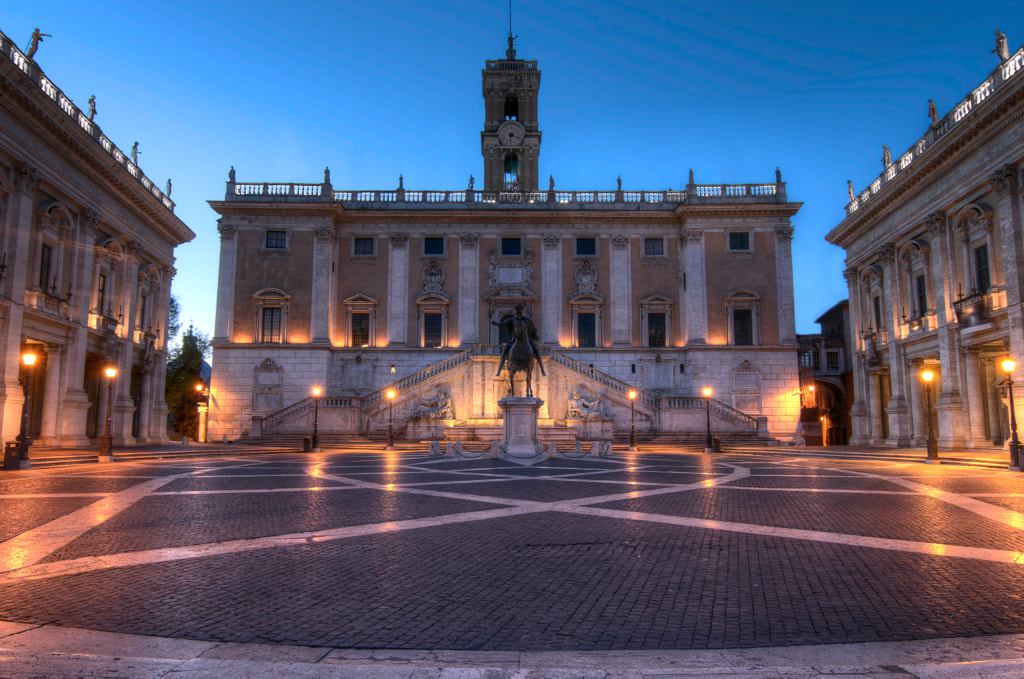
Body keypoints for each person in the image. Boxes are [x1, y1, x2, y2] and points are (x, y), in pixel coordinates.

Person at [491, 304, 546, 377]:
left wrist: (535, 335)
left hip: (528, 340)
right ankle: (499, 370)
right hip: (515, 339)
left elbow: (534, 330)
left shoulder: (528, 320)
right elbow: (503, 323)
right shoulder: (512, 320)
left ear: (522, 311)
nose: (519, 311)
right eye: (517, 310)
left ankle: (542, 368)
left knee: (536, 349)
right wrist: (496, 323)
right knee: (504, 350)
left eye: (520, 310)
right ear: (516, 311)